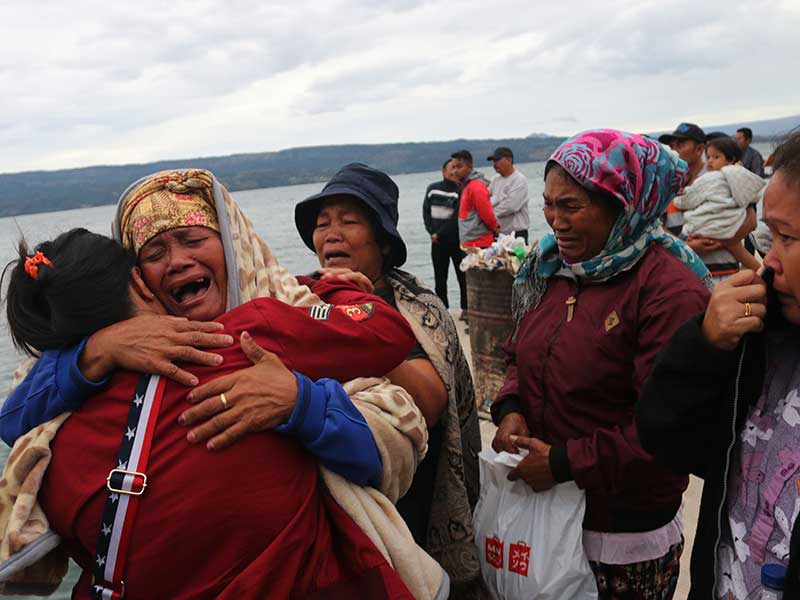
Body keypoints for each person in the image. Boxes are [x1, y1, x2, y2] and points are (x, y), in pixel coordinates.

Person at [0, 170, 448, 599]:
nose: (177, 261)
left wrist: (296, 396)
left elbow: (13, 420)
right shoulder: (261, 328)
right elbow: (387, 338)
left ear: (234, 248)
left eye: (194, 239)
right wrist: (99, 349)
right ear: (137, 278)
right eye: (154, 254)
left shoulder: (62, 411)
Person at [490, 130, 712, 599]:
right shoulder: (550, 269)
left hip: (621, 530)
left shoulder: (668, 291)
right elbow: (519, 350)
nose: (555, 222)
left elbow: (665, 429)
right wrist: (510, 404)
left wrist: (562, 462)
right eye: (549, 204)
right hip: (551, 514)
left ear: (623, 205)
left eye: (571, 206)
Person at [295, 162, 482, 595]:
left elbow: (432, 402)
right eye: (322, 224)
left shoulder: (414, 309)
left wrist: (360, 317)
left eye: (349, 221)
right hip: (332, 512)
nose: (331, 233)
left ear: (381, 239)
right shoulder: (302, 300)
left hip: (407, 502)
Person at [636, 133, 800, 599]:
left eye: (786, 237)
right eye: (768, 235)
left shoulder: (669, 277)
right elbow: (666, 436)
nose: (768, 258)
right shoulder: (765, 344)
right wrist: (704, 342)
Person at [674, 136, 766, 280]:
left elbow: (687, 201)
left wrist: (677, 199)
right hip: (730, 239)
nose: (710, 161)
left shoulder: (709, 179)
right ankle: (766, 282)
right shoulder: (742, 180)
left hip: (704, 235)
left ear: (731, 160)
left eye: (716, 157)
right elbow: (750, 203)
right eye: (708, 156)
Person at [422, 159, 467, 310]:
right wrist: (431, 232)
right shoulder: (432, 189)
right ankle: (442, 310)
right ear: (443, 171)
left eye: (457, 167)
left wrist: (439, 234)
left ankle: (465, 310)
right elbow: (426, 212)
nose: (454, 171)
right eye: (451, 168)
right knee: (440, 279)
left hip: (455, 241)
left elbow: (456, 218)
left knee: (463, 278)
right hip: (437, 242)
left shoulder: (460, 191)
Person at [659, 122, 708, 236]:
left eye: (680, 145)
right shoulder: (669, 180)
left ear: (699, 149)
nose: (674, 151)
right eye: (672, 146)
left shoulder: (714, 178)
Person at [450, 149, 497, 248]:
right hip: (470, 244)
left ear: (470, 166)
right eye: (453, 167)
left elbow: (488, 215)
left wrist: (496, 229)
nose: (455, 171)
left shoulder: (475, 187)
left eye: (459, 166)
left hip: (480, 244)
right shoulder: (465, 186)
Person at [486, 146, 530, 243]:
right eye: (493, 161)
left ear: (509, 160)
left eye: (497, 160)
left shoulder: (519, 180)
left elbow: (511, 206)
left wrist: (488, 215)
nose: (494, 164)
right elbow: (485, 199)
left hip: (517, 233)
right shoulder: (495, 180)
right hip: (498, 233)